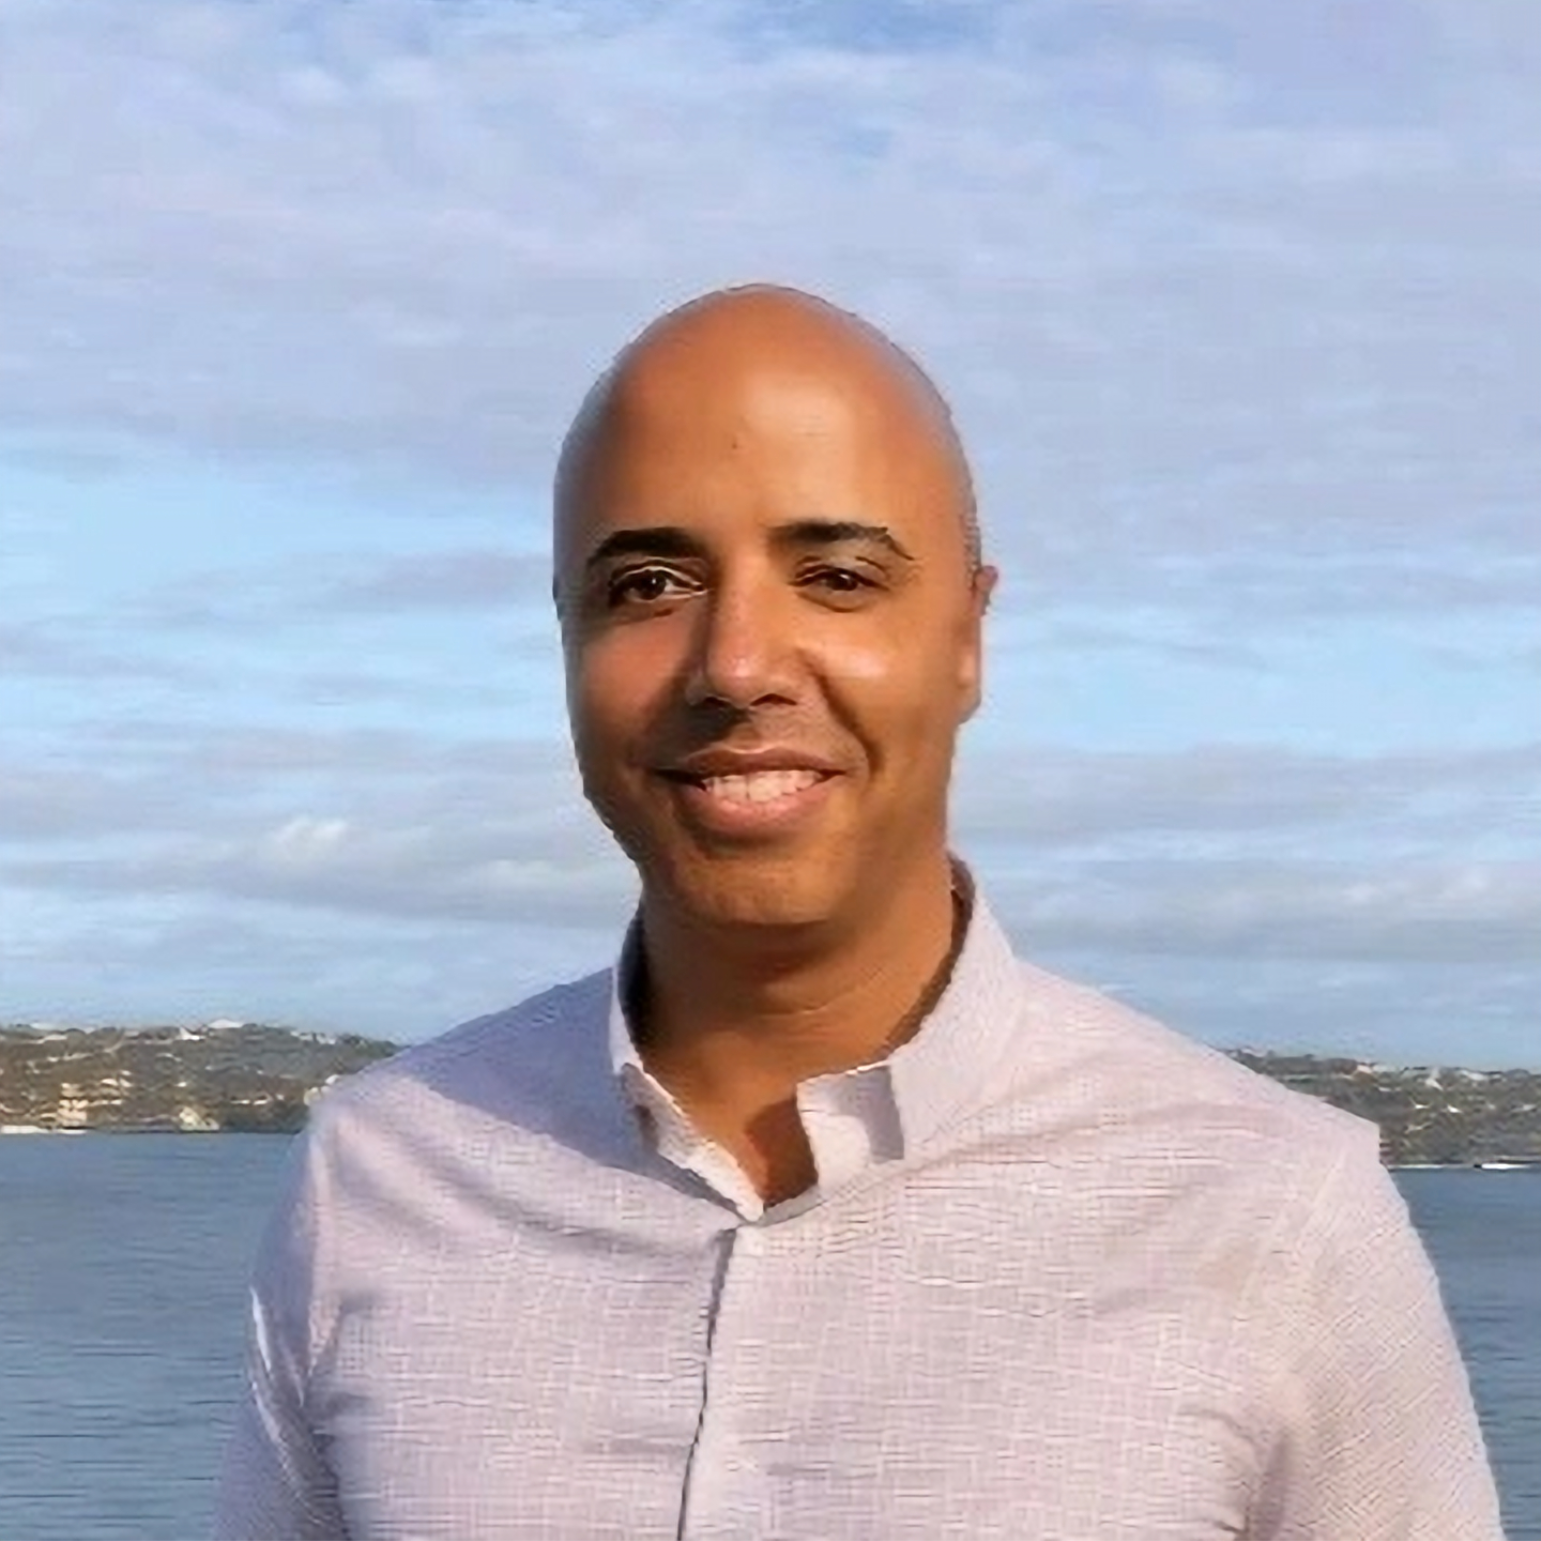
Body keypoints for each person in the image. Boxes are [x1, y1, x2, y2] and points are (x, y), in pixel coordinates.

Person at [215, 285, 1505, 1539]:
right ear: (567, 640)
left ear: (969, 637)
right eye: (649, 584)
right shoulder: (378, 1174)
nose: (736, 666)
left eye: (835, 576)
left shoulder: (1271, 1214)